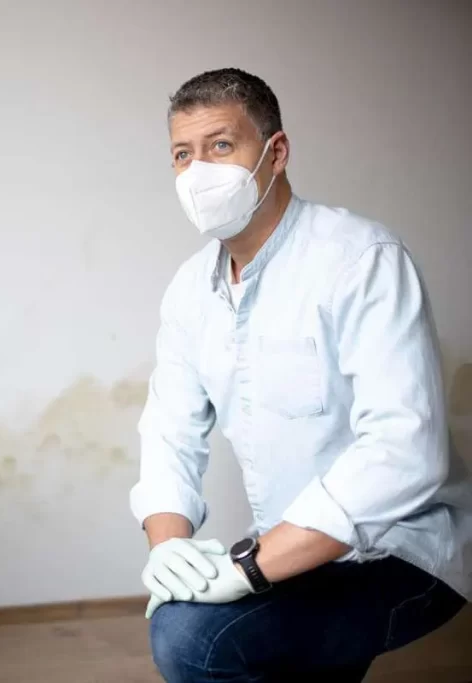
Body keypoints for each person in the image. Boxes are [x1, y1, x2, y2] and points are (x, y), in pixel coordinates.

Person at [130, 67, 471, 682]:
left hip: (402, 552)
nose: (199, 171)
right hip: (292, 551)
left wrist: (248, 571)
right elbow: (168, 433)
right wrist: (168, 547)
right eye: (183, 154)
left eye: (221, 145)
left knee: (190, 639)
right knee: (205, 618)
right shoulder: (189, 291)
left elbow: (405, 451)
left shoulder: (360, 260)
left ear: (276, 152)